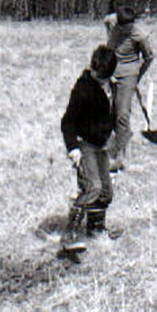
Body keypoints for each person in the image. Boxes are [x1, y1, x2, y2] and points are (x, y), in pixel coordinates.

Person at [60, 45, 119, 255]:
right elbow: (67, 121)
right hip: (83, 144)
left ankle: (96, 229)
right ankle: (70, 235)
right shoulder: (83, 88)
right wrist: (73, 149)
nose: (98, 78)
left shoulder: (111, 87)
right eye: (96, 74)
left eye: (103, 76)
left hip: (101, 145)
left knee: (105, 191)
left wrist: (112, 141)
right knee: (92, 186)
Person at [103, 5, 155, 171]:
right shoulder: (113, 23)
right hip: (110, 73)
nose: (124, 29)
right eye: (121, 25)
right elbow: (107, 19)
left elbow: (149, 57)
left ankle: (120, 157)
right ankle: (110, 144)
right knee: (109, 112)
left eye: (127, 27)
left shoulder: (139, 36)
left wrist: (136, 77)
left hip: (128, 75)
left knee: (123, 115)